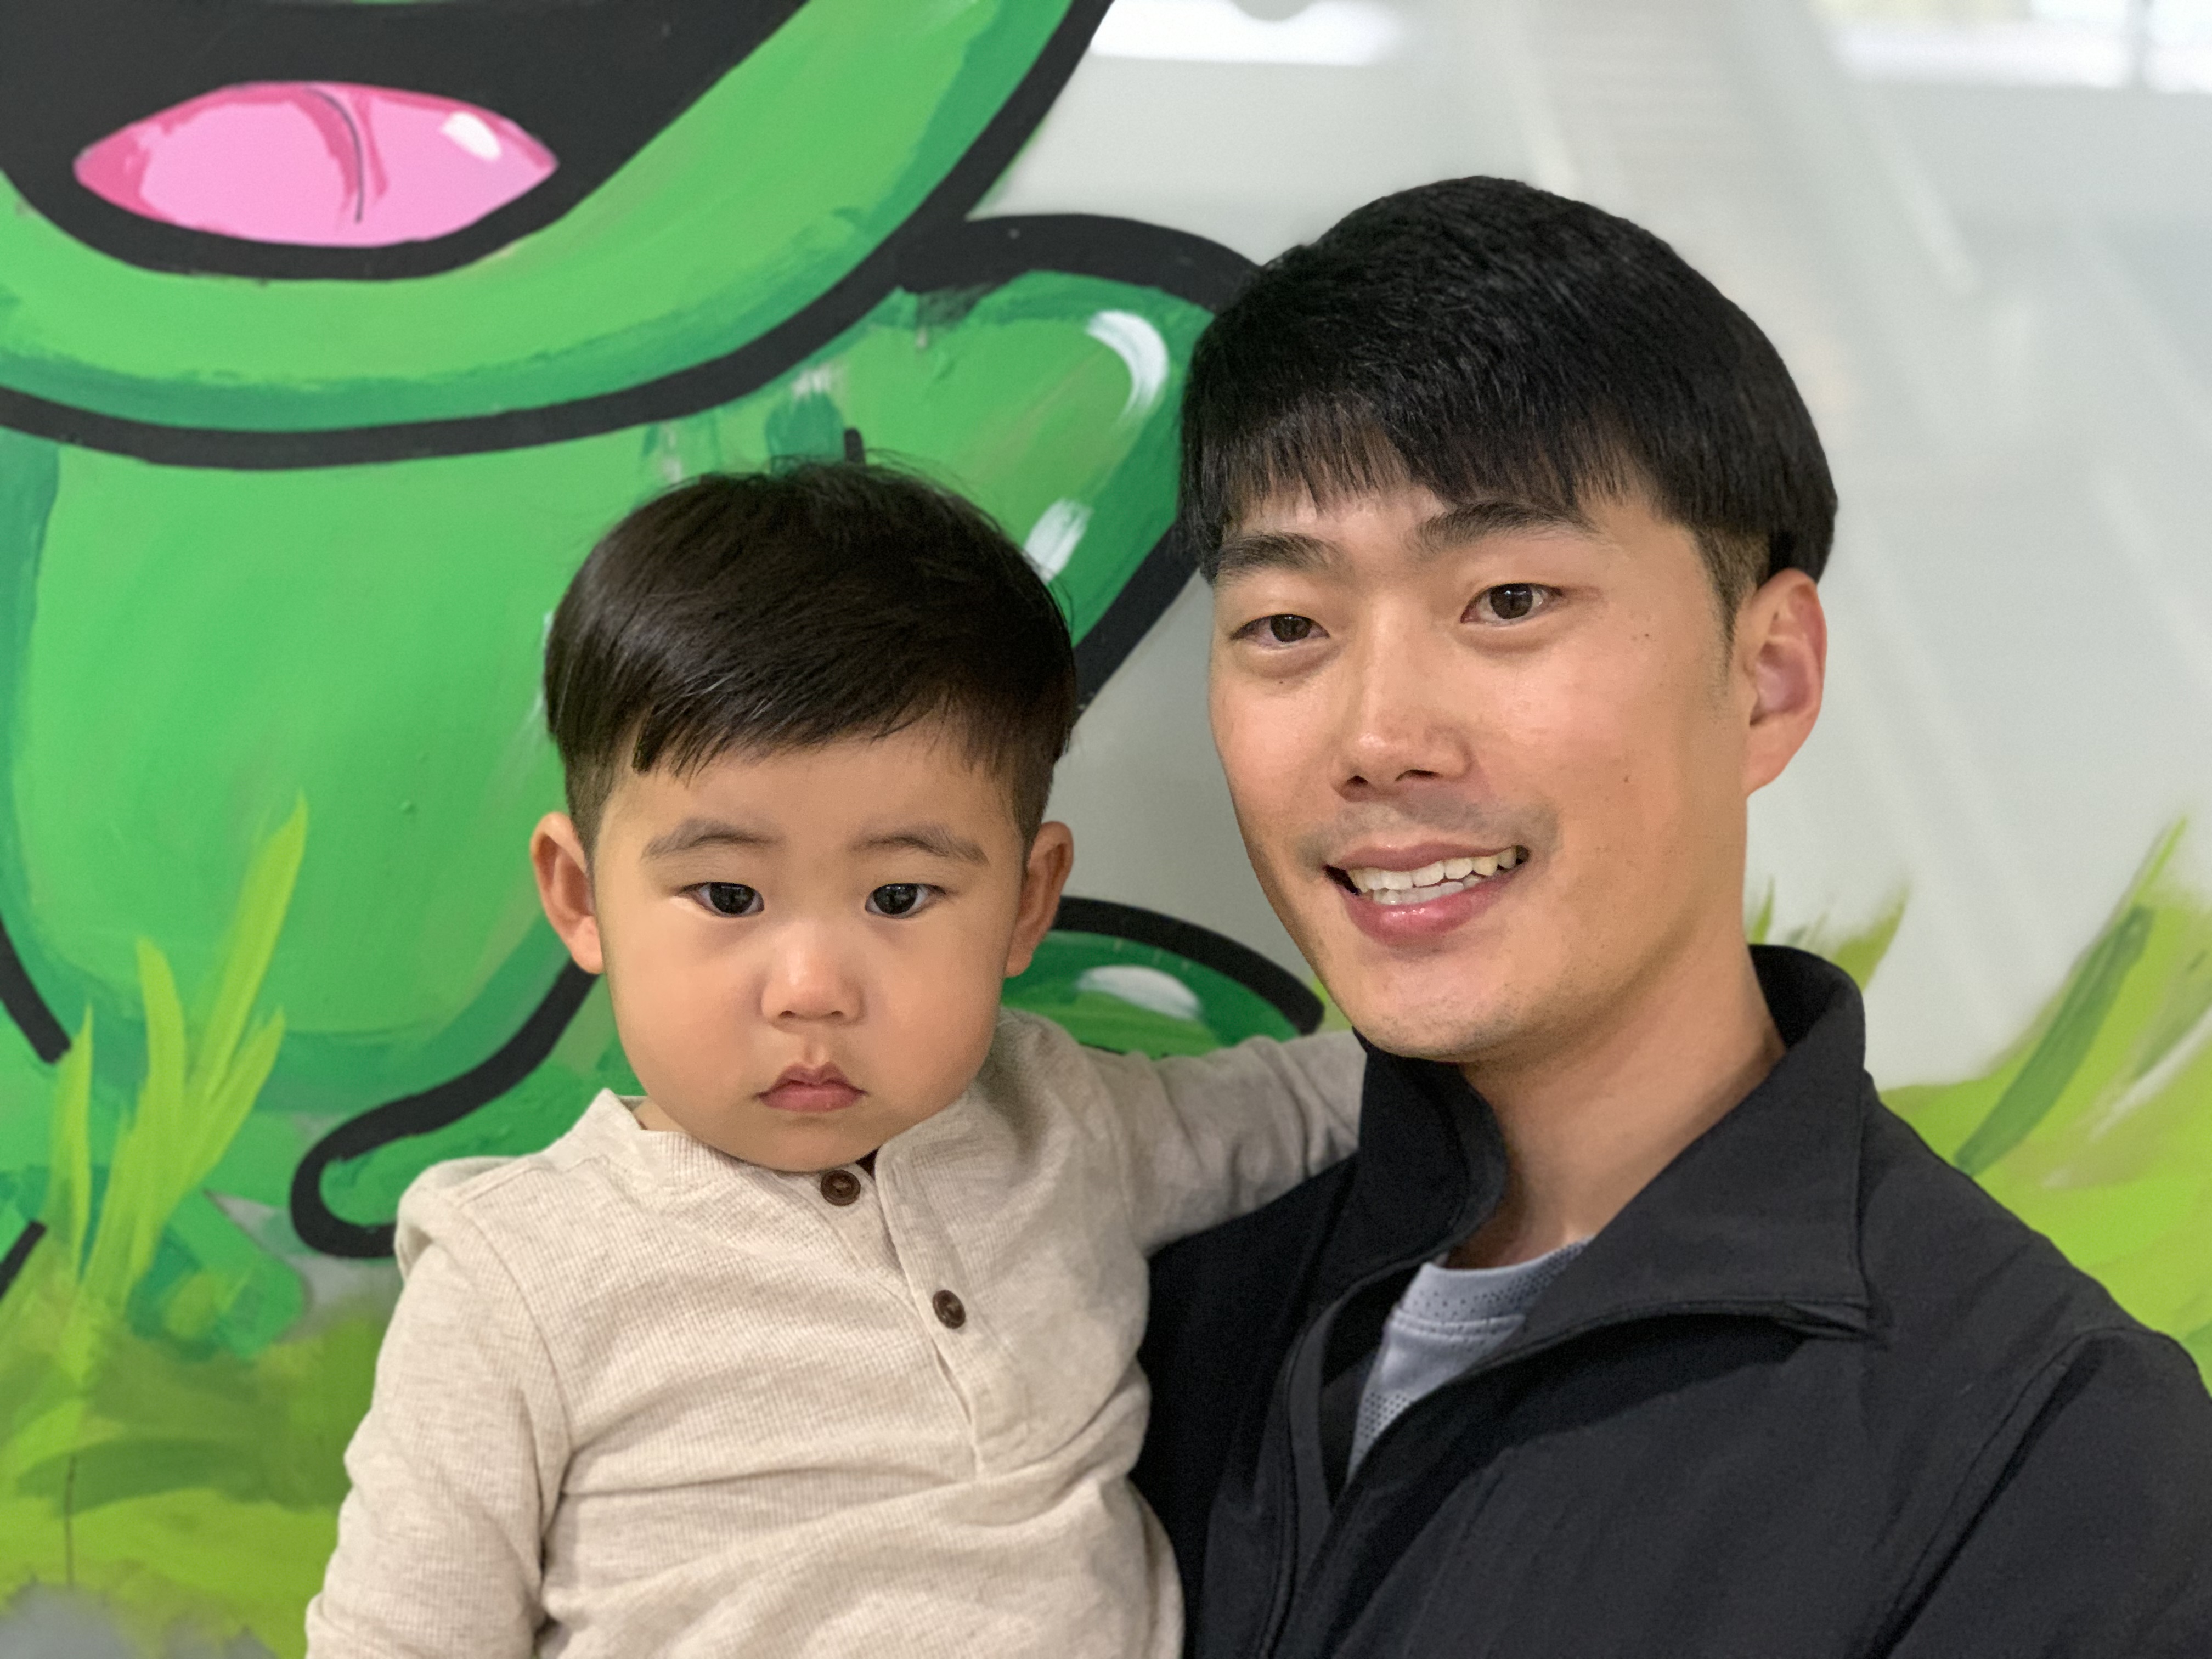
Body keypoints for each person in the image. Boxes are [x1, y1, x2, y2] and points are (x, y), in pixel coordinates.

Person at [1132, 176, 2212, 1657]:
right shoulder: (1114, 1302)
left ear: (1767, 676)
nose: (1378, 737)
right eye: (1285, 625)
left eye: (1509, 599)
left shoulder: (2048, 1450)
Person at [304, 464, 1365, 1659]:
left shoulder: (1068, 1119)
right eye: (728, 895)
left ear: (1026, 903)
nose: (812, 987)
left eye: (899, 896)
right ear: (580, 896)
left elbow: (1314, 1102)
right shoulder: (517, 1279)